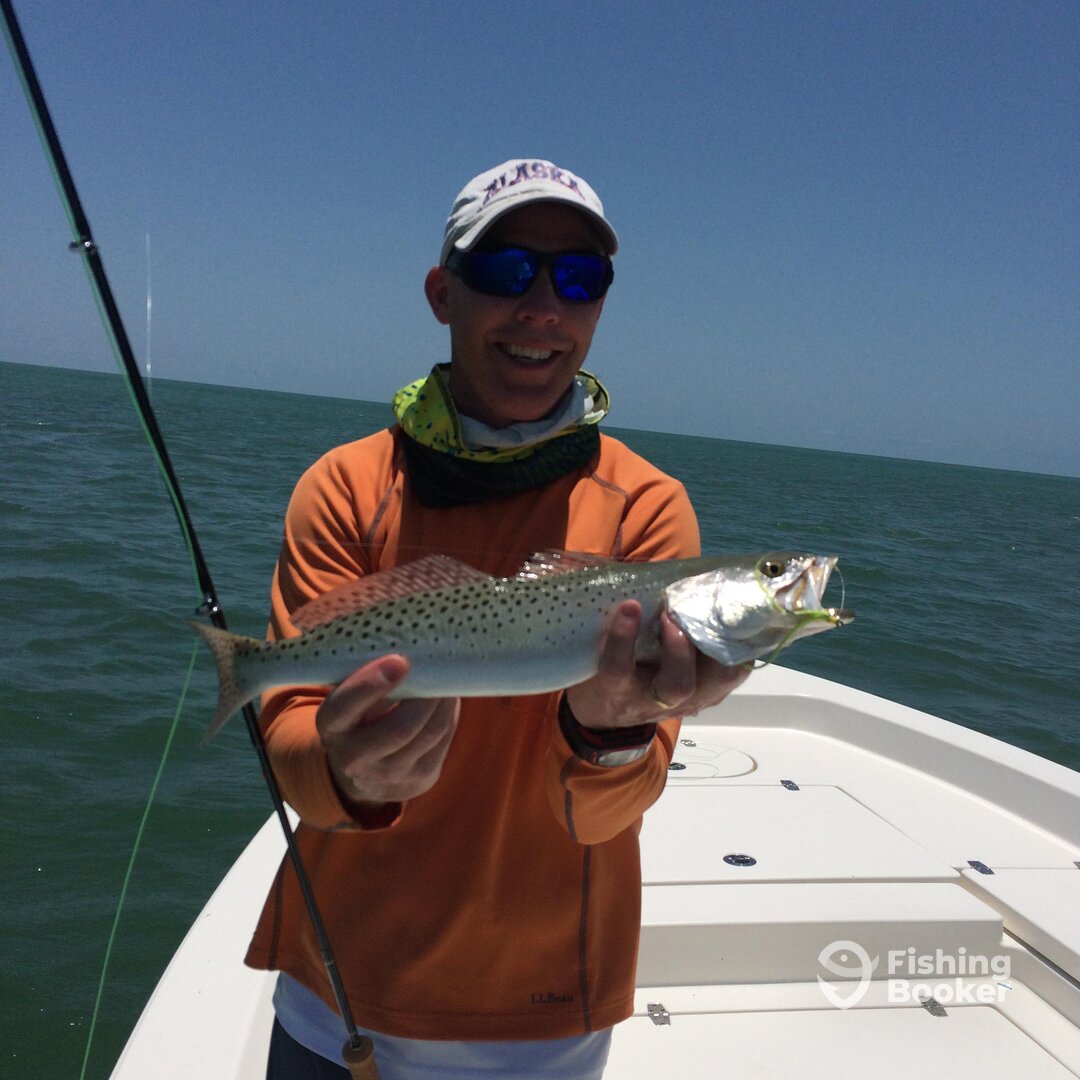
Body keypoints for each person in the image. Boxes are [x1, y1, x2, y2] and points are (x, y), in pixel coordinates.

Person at [250, 159, 750, 1079]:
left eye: (579, 278)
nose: (543, 307)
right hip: (338, 992)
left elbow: (613, 814)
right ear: (445, 293)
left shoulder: (648, 514)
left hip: (545, 1019)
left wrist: (610, 738)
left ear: (599, 307)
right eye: (507, 270)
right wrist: (346, 767)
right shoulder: (348, 488)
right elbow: (290, 750)